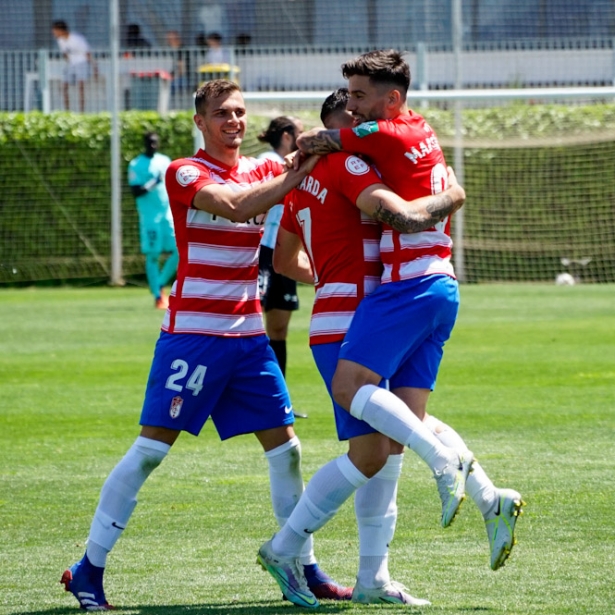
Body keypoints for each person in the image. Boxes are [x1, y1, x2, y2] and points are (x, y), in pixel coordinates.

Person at [60, 79, 351, 611]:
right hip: (192, 338)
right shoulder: (185, 171)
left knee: (287, 451)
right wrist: (297, 170)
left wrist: (342, 135)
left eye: (239, 112)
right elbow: (236, 207)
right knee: (150, 452)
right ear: (201, 122)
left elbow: (309, 152)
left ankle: (304, 567)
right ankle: (88, 569)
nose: (233, 121)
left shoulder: (267, 168)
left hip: (247, 339)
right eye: (221, 113)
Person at [293, 49, 524, 573]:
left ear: (391, 99)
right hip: (440, 286)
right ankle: (492, 500)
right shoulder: (421, 129)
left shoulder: (379, 138)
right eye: (347, 98)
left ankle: (292, 547)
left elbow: (319, 141)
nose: (354, 110)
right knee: (409, 417)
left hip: (406, 287)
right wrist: (453, 196)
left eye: (359, 97)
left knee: (353, 396)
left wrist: (315, 146)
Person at [257, 89, 468, 607]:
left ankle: (373, 577)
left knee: (382, 452)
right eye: (352, 118)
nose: (362, 125)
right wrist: (451, 196)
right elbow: (392, 212)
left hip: (339, 314)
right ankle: (285, 549)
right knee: (372, 453)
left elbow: (284, 261)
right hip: (363, 317)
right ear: (336, 125)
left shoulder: (301, 180)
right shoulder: (349, 166)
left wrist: (328, 279)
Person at [256, 117, 307, 418]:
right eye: (300, 134)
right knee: (246, 324)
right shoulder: (266, 162)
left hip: (283, 252)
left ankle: (278, 402)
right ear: (287, 137)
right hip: (260, 252)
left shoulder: (294, 165)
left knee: (279, 327)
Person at [127, 132, 178, 309]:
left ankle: (159, 284)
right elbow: (135, 191)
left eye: (155, 143)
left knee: (180, 250)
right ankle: (158, 296)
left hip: (168, 215)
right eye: (150, 143)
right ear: (145, 144)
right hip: (150, 219)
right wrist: (153, 182)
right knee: (153, 255)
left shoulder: (165, 161)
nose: (153, 146)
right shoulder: (136, 164)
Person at [51, 20, 94, 113]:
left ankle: (82, 111)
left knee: (81, 87)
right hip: (71, 64)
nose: (54, 34)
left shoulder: (76, 39)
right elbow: (65, 53)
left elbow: (87, 53)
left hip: (82, 63)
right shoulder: (60, 41)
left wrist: (94, 67)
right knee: (64, 86)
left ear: (61, 30)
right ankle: (67, 111)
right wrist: (68, 65)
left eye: (55, 31)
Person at [166, 30, 189, 94]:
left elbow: (182, 69)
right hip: (170, 76)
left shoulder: (182, 50)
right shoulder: (167, 50)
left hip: (181, 77)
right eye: (169, 39)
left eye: (172, 39)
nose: (170, 41)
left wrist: (173, 77)